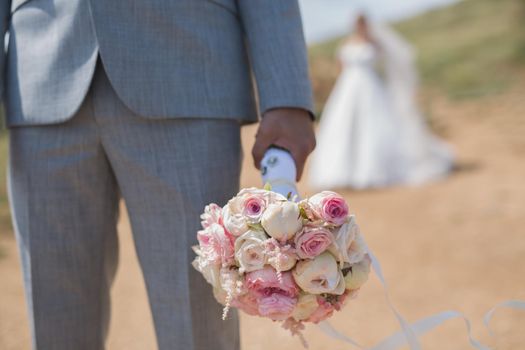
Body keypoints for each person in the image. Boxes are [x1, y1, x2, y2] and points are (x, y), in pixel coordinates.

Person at [0, 1, 316, 349]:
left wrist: (287, 96)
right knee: (54, 324)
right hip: (39, 83)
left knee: (199, 323)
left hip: (188, 72)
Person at [309, 14, 453, 190]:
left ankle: (373, 172)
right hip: (347, 88)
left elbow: (391, 62)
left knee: (373, 127)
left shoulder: (374, 43)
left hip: (369, 86)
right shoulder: (346, 43)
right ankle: (341, 173)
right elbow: (339, 66)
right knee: (343, 127)